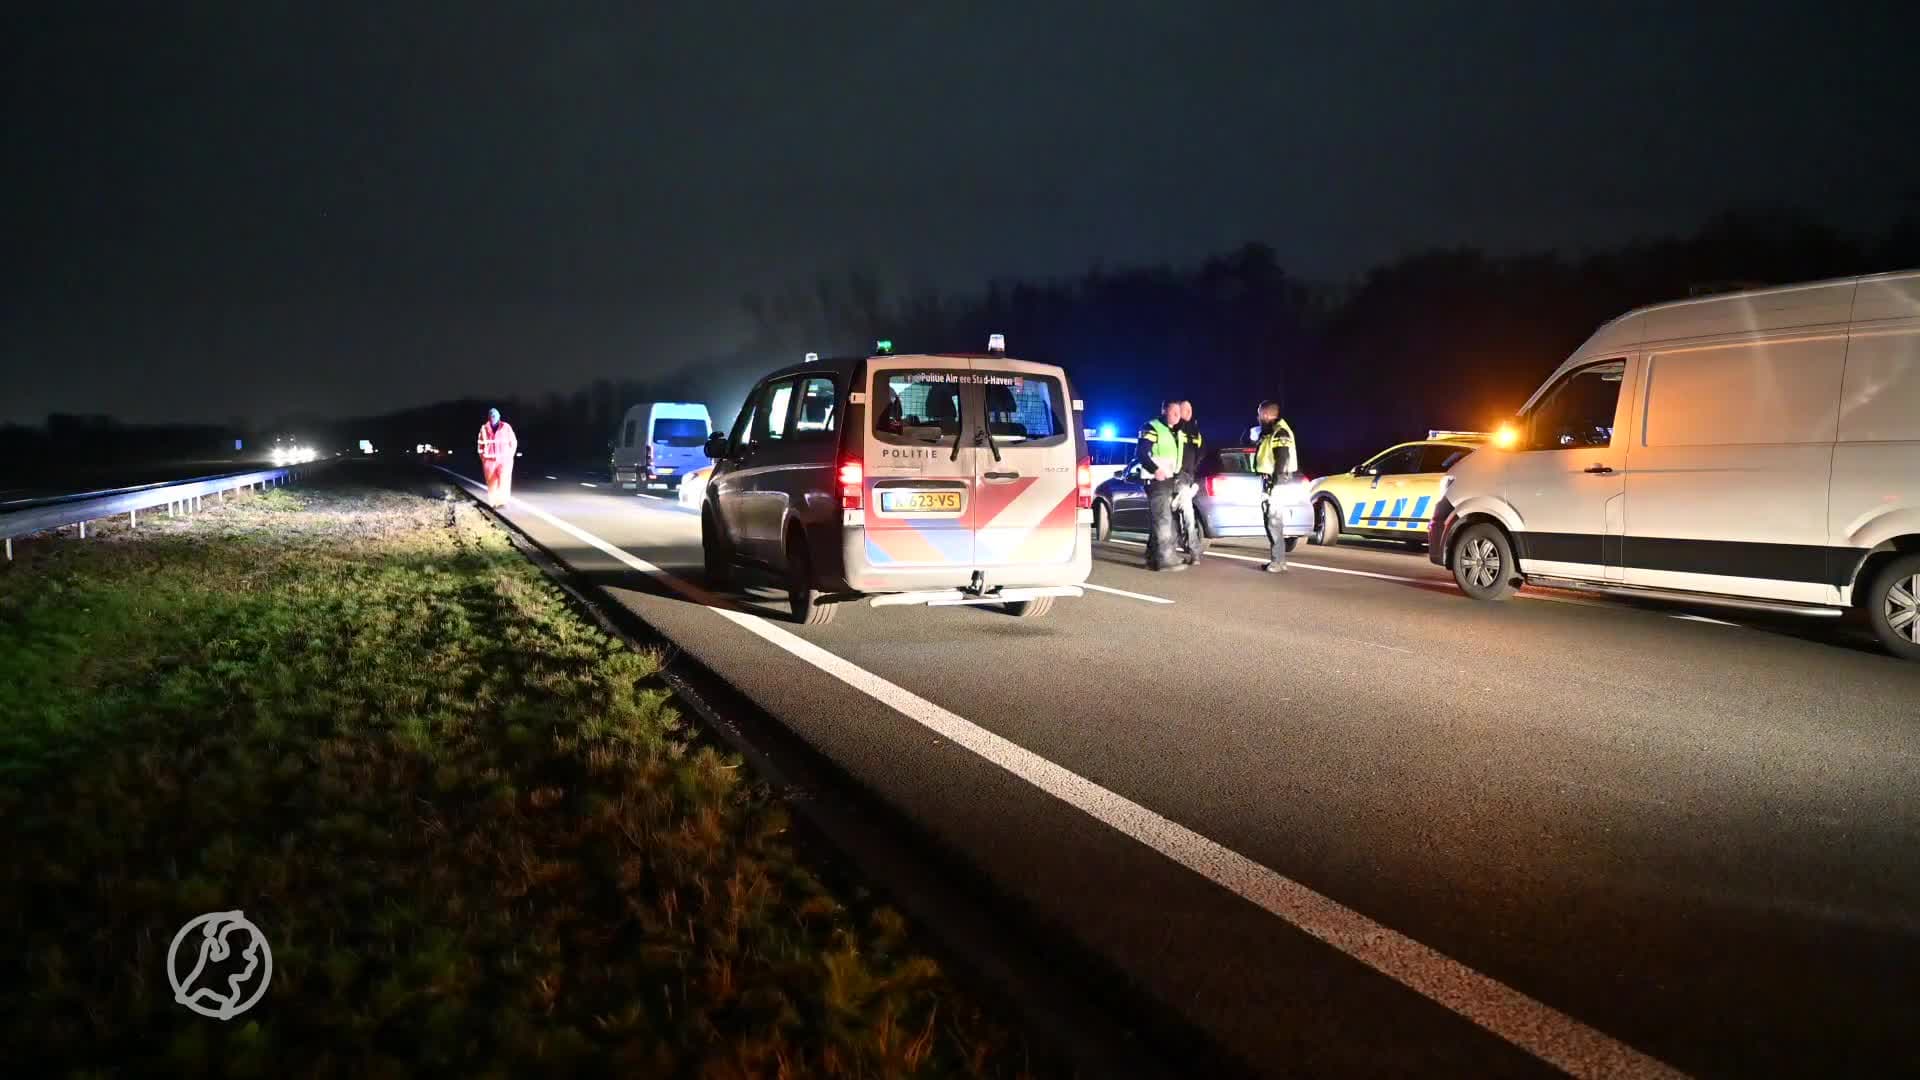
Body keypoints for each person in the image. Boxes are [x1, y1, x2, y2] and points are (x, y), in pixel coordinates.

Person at [1136, 400, 1188, 572]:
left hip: (1169, 480)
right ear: (1164, 410)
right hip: (1156, 480)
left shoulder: (1175, 431)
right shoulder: (1152, 427)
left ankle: (1152, 558)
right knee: (1164, 520)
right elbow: (1142, 453)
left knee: (1160, 520)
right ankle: (1165, 559)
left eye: (1178, 413)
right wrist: (1155, 469)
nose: (1177, 416)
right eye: (1173, 412)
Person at [1253, 400, 1299, 573]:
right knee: (1272, 521)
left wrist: (1277, 486)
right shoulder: (1270, 432)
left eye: (1259, 414)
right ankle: (1278, 559)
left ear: (1265, 414)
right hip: (1271, 481)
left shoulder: (1280, 432)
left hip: (1277, 482)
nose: (1258, 418)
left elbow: (1283, 459)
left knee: (1274, 521)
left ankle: (1278, 561)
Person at [1174, 400, 1207, 563]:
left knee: (1185, 515)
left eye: (1190, 409)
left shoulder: (1194, 432)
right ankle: (1191, 552)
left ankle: (1192, 552)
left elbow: (1202, 454)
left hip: (1183, 478)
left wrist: (1193, 472)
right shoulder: (1176, 428)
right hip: (1178, 477)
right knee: (1185, 515)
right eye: (1185, 409)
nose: (1189, 412)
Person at [477, 407, 519, 508]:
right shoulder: (483, 429)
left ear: (499, 416)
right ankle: (494, 502)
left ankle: (502, 502)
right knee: (492, 482)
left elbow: (513, 442)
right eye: (491, 415)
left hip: (505, 460)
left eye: (495, 415)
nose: (493, 417)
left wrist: (510, 456)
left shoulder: (506, 427)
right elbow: (480, 445)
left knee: (504, 481)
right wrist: (484, 458)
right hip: (489, 461)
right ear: (489, 417)